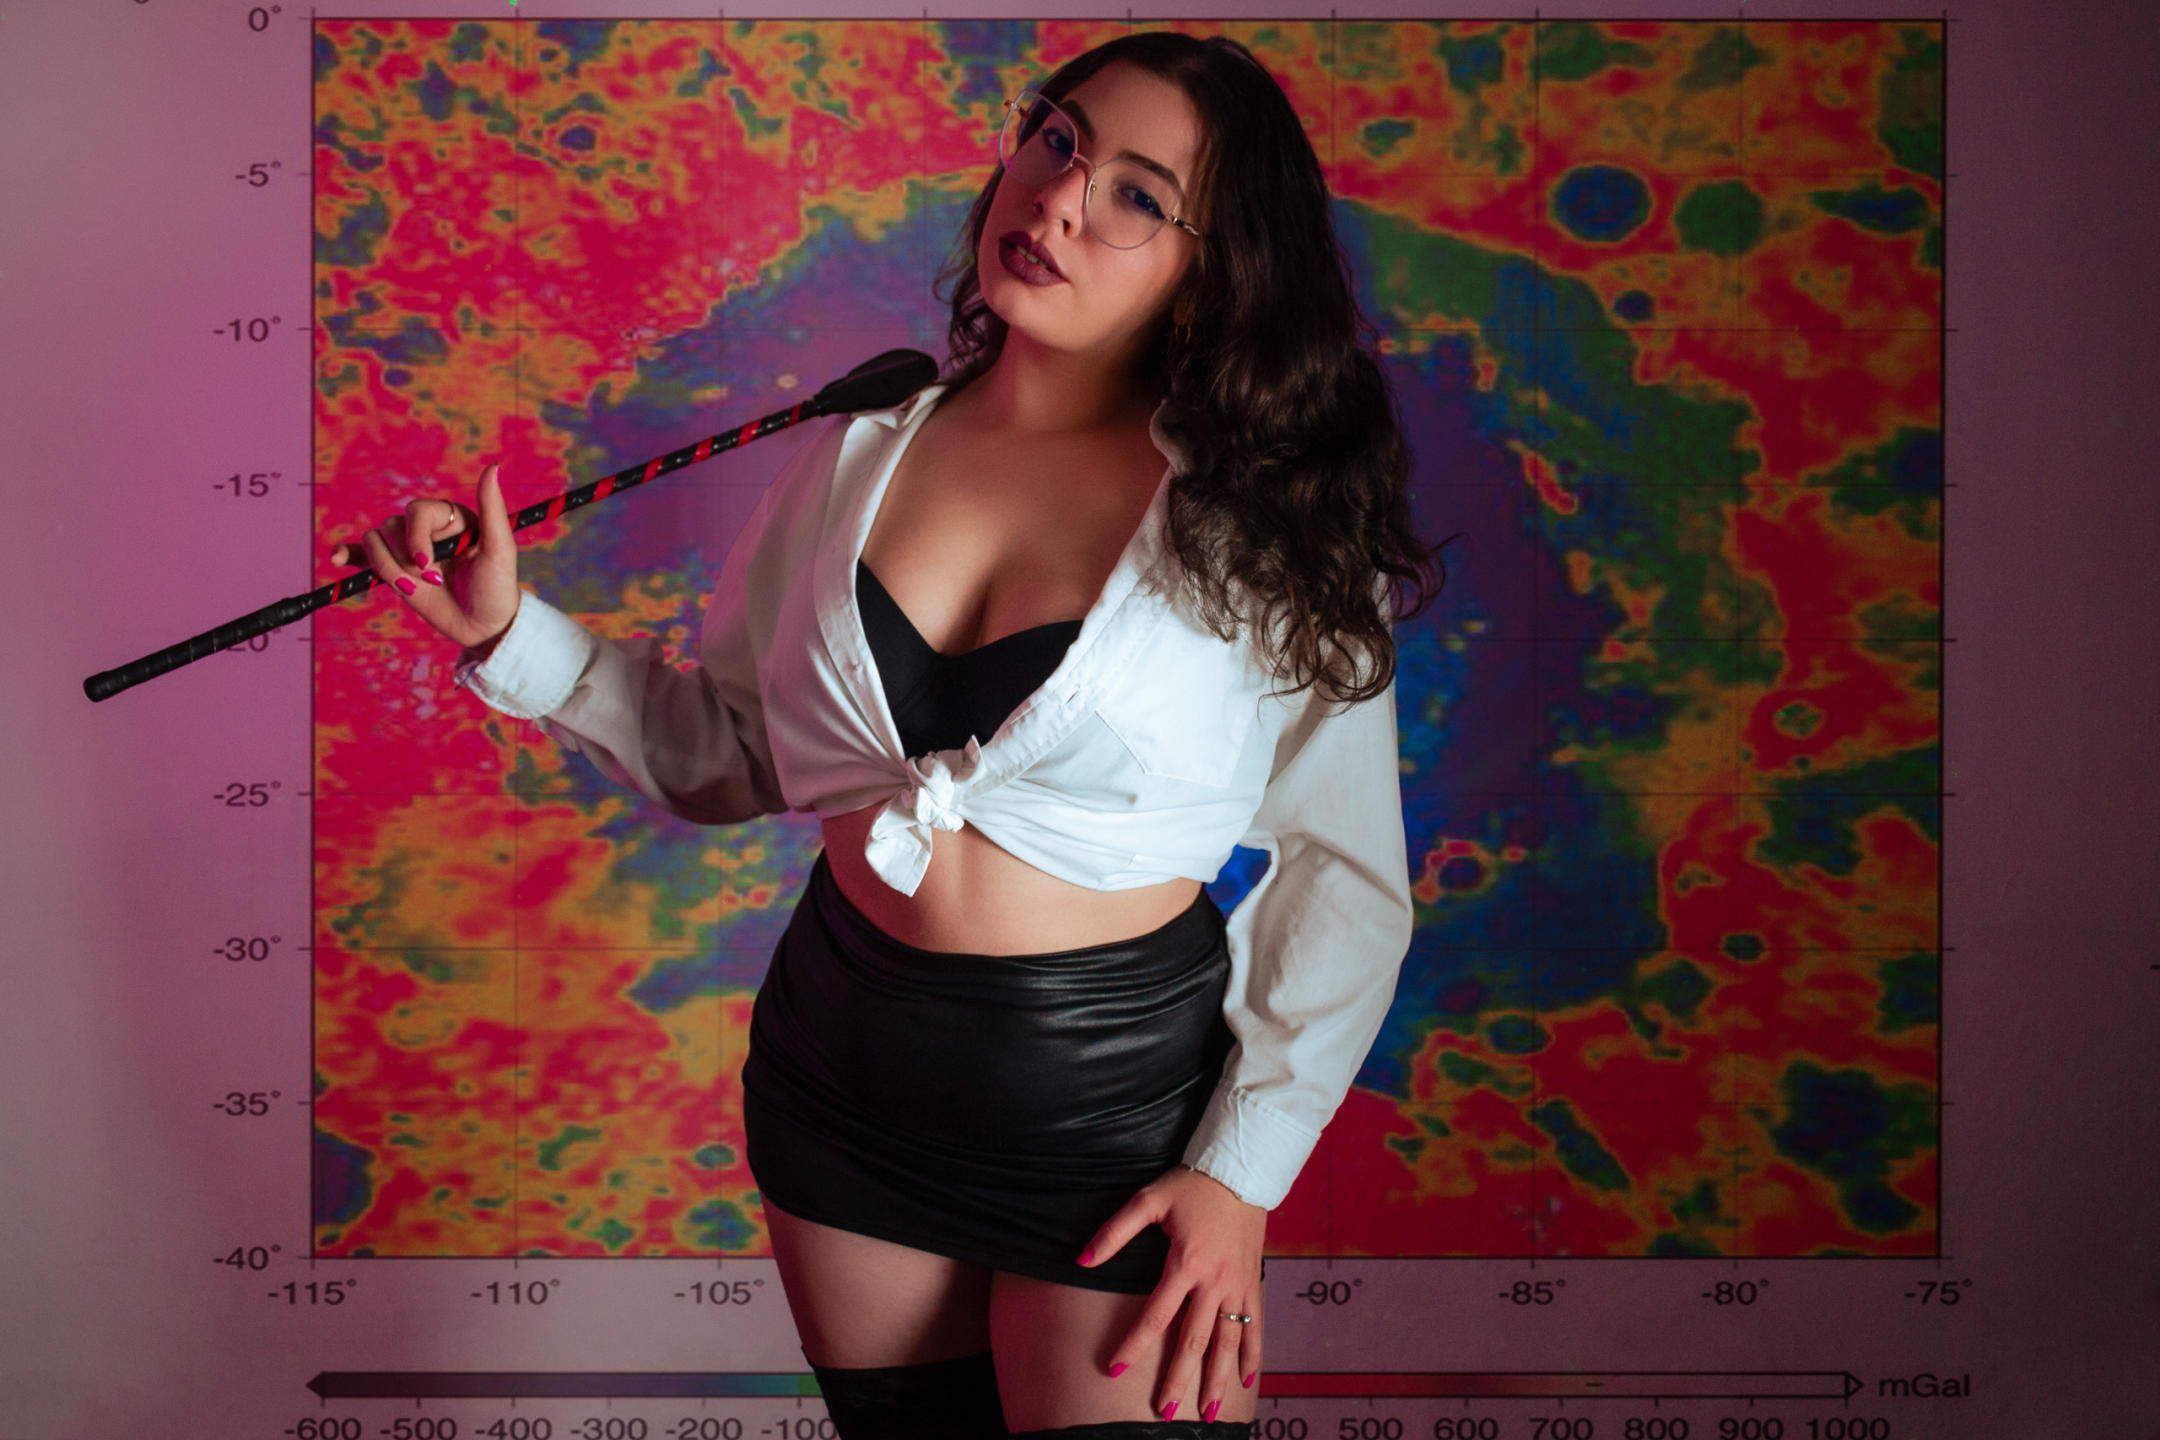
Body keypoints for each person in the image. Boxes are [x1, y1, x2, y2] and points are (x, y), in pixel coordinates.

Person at [329, 30, 1447, 1440]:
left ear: (1212, 270)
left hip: (1117, 1135)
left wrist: (1241, 1174)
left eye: (1136, 196)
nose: (1057, 199)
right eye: (1057, 139)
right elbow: (736, 751)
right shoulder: (857, 450)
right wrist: (512, 634)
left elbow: (1345, 879)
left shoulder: (1270, 534)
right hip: (838, 1086)